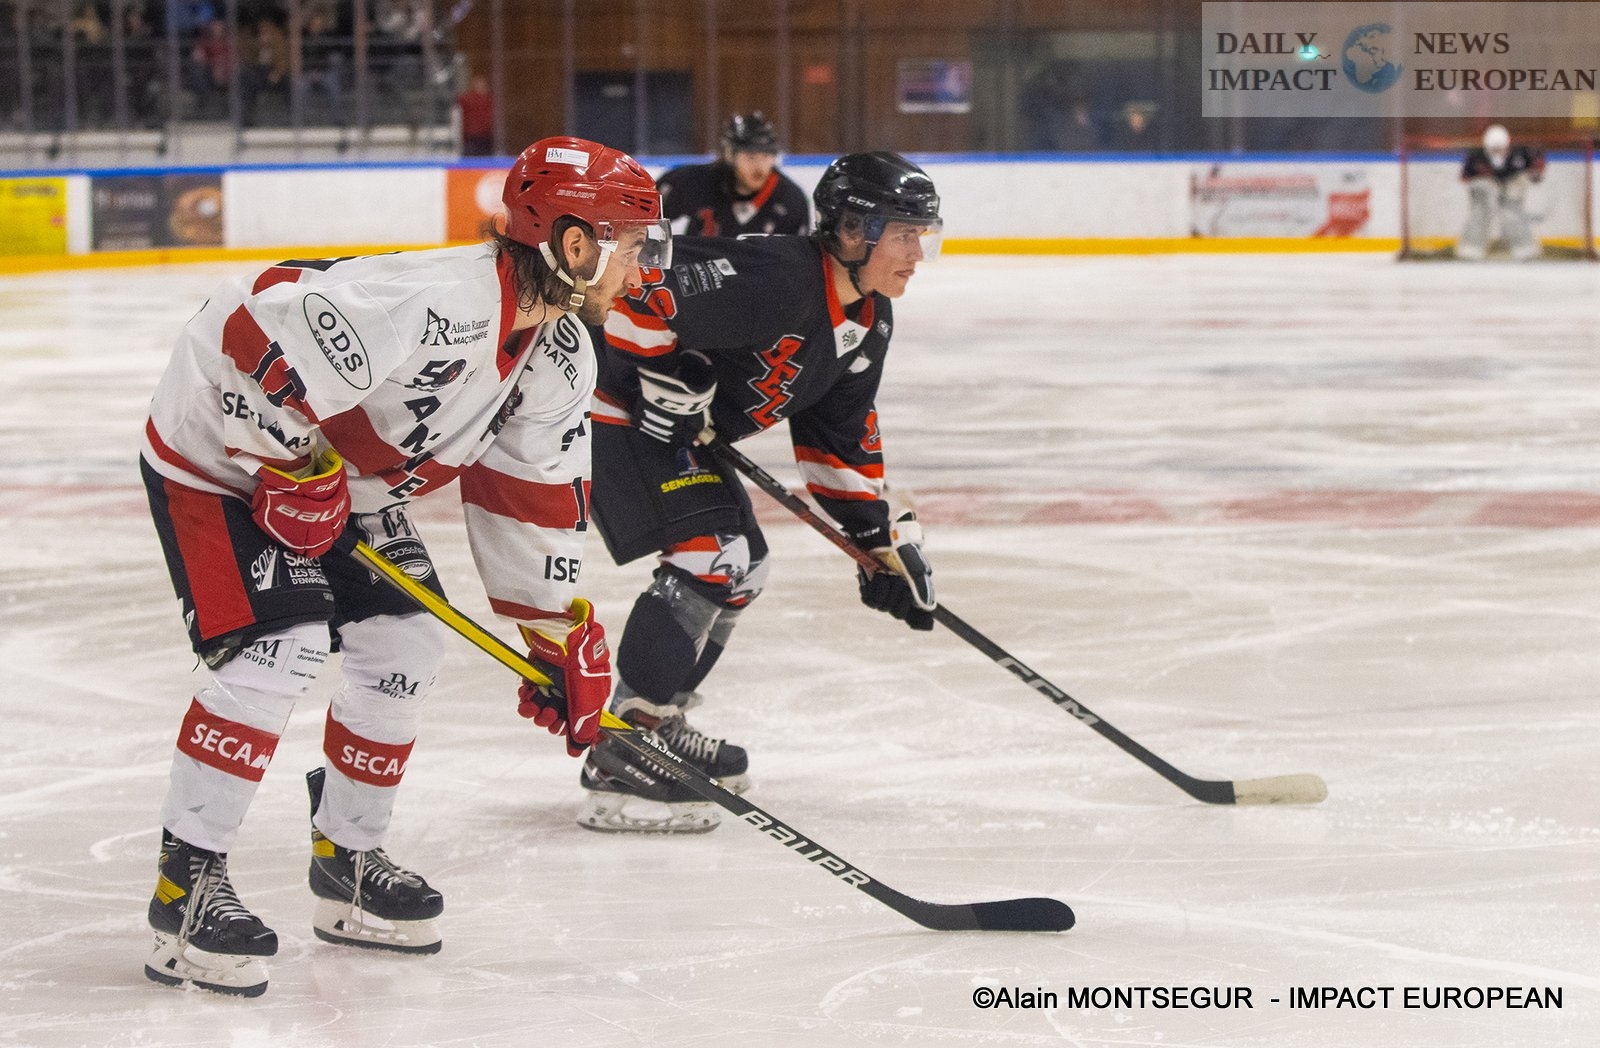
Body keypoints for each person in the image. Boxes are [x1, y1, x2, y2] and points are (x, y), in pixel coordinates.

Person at [138, 137, 669, 996]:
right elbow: (250, 323)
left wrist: (553, 636)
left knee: (407, 642)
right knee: (282, 646)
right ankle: (184, 888)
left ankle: (346, 859)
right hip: (221, 453)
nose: (643, 271)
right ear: (575, 245)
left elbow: (530, 501)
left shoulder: (561, 354)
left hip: (345, 482)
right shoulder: (437, 300)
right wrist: (290, 466)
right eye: (633, 245)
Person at [578, 151, 942, 833]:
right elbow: (638, 290)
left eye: (925, 235)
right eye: (904, 234)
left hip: (672, 433)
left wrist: (879, 542)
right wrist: (661, 377)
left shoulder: (869, 321)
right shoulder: (779, 278)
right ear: (854, 230)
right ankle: (623, 749)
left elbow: (838, 439)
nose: (918, 253)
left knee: (745, 568)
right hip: (601, 410)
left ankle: (654, 718)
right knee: (714, 558)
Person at [657, 111, 811, 237]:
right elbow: (649, 217)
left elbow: (796, 258)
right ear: (730, 156)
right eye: (750, 157)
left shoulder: (791, 200)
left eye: (766, 156)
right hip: (700, 264)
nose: (759, 167)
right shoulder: (695, 181)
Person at [1457, 124, 1545, 261]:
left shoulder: (1520, 153)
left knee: (1512, 212)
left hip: (1511, 184)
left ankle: (1525, 249)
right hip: (1487, 186)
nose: (1497, 152)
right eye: (1494, 149)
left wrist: (1526, 177)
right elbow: (1464, 177)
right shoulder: (1476, 156)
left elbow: (1537, 170)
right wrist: (1483, 182)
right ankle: (1471, 249)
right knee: (1480, 212)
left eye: (1501, 149)